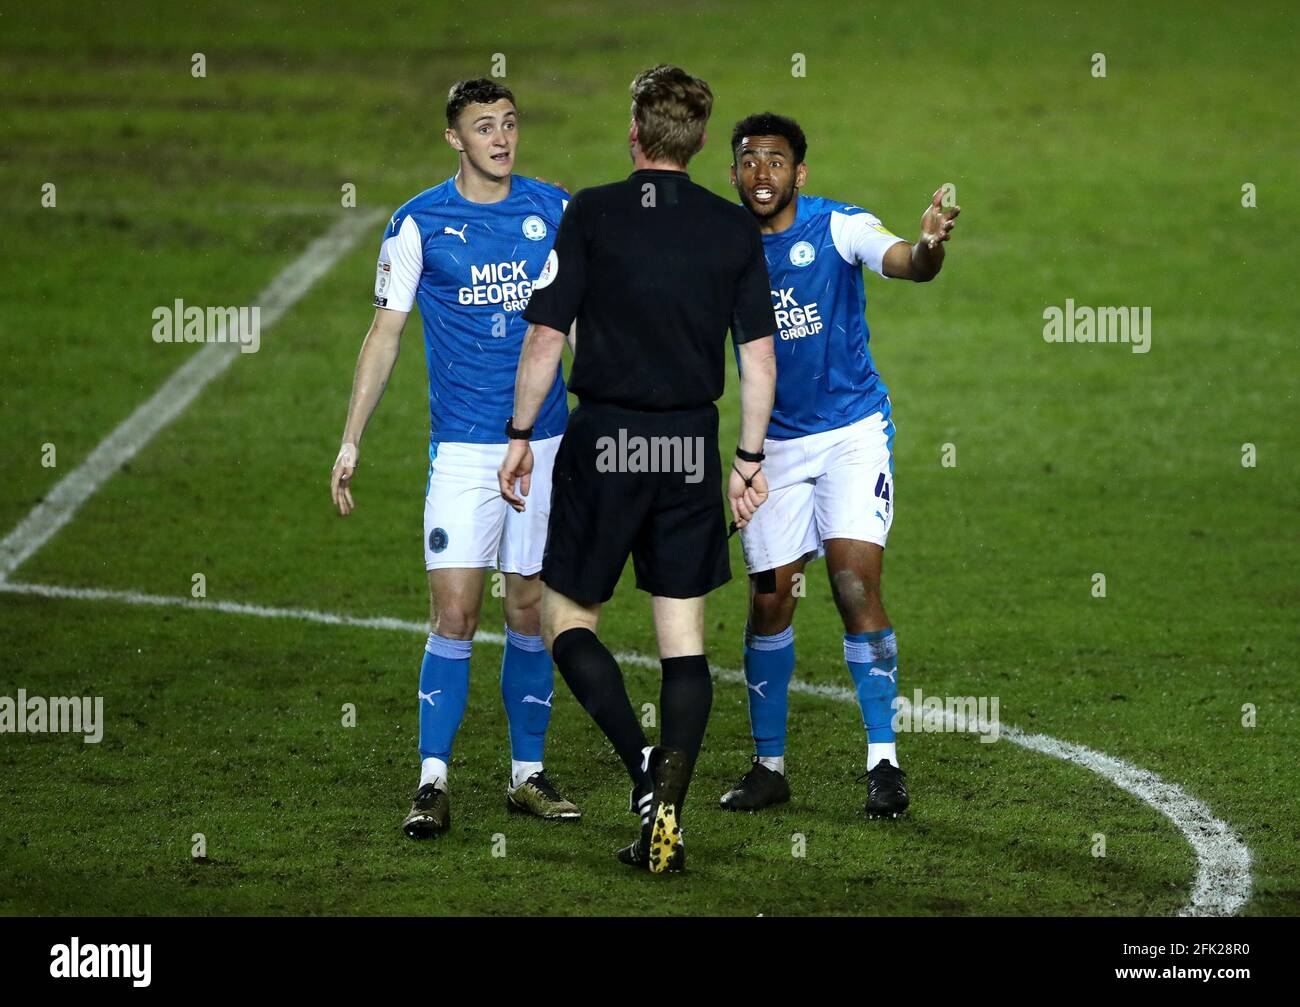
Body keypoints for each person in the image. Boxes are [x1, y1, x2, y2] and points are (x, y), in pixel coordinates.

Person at [498, 65, 777, 873]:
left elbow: (546, 339)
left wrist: (520, 431)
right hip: (689, 445)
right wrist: (748, 459)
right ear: (697, 145)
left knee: (566, 621)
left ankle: (642, 775)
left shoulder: (592, 212)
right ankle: (674, 808)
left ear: (634, 136)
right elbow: (758, 362)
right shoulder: (733, 230)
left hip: (608, 442)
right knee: (683, 644)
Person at [330, 79, 581, 839]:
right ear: (455, 139)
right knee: (456, 611)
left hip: (544, 443)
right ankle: (432, 780)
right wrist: (351, 438)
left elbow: (580, 325)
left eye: (508, 123)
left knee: (528, 608)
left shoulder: (555, 210)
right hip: (466, 451)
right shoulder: (418, 224)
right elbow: (384, 335)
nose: (501, 138)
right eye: (483, 127)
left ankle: (527, 776)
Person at [718, 112, 961, 819]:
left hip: (852, 433)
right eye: (749, 161)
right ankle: (769, 766)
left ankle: (883, 760)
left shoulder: (835, 226)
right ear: (732, 172)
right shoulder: (724, 247)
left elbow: (904, 263)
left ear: (801, 172)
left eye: (776, 160)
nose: (762, 173)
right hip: (774, 447)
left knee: (854, 580)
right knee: (770, 599)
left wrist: (927, 246)